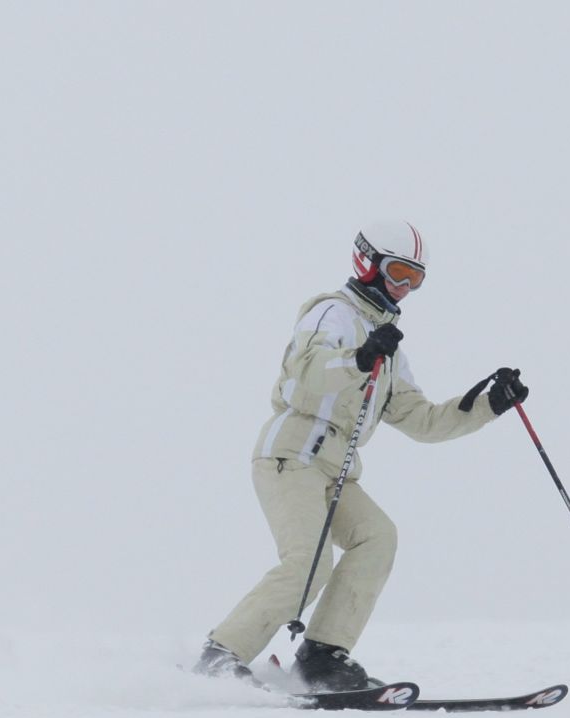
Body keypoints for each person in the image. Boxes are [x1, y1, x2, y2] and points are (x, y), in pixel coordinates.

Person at [193, 220, 529, 692]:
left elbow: (423, 421)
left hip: (337, 471)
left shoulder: (386, 342)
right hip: (292, 456)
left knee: (377, 537)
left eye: (416, 280)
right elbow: (304, 374)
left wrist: (490, 406)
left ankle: (323, 656)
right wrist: (358, 358)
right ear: (366, 262)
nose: (405, 288)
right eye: (397, 273)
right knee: (307, 565)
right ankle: (220, 656)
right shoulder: (332, 313)